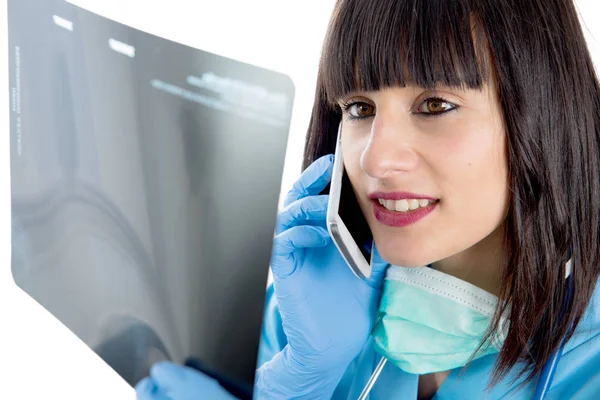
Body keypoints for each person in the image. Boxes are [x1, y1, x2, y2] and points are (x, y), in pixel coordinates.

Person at [135, 0, 600, 398]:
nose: (376, 159)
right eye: (359, 108)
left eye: (435, 105)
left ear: (545, 114)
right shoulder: (306, 307)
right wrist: (296, 384)